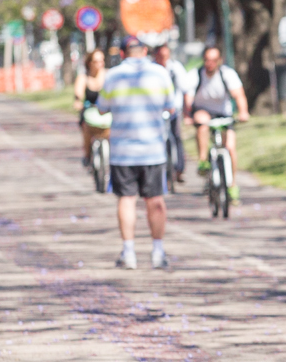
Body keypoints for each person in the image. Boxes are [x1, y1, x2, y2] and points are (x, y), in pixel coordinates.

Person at [97, 34, 177, 269]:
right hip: (153, 149)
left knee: (127, 200)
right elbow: (171, 106)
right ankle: (157, 251)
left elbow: (102, 109)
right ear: (144, 51)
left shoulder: (113, 76)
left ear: (122, 53)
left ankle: (129, 252)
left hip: (123, 151)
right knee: (155, 200)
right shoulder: (160, 73)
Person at [188, 44, 250, 201]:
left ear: (219, 60)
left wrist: (243, 112)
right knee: (201, 122)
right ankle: (203, 160)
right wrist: (188, 115)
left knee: (229, 147)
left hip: (223, 114)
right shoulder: (196, 75)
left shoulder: (227, 74)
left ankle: (232, 184)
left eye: (214, 60)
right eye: (207, 60)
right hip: (203, 111)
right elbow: (188, 99)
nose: (210, 63)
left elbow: (239, 95)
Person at [152, 43, 195, 184]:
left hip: (173, 110)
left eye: (166, 55)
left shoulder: (175, 68)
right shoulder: (151, 69)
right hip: (155, 111)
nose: (163, 59)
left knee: (176, 137)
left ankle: (179, 169)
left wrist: (187, 113)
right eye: (160, 55)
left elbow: (185, 89)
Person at [73, 48, 109, 166]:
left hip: (107, 112)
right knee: (86, 128)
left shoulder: (109, 76)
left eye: (101, 60)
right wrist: (78, 101)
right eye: (96, 61)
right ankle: (87, 155)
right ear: (89, 63)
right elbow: (78, 94)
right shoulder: (84, 78)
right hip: (90, 112)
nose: (100, 64)